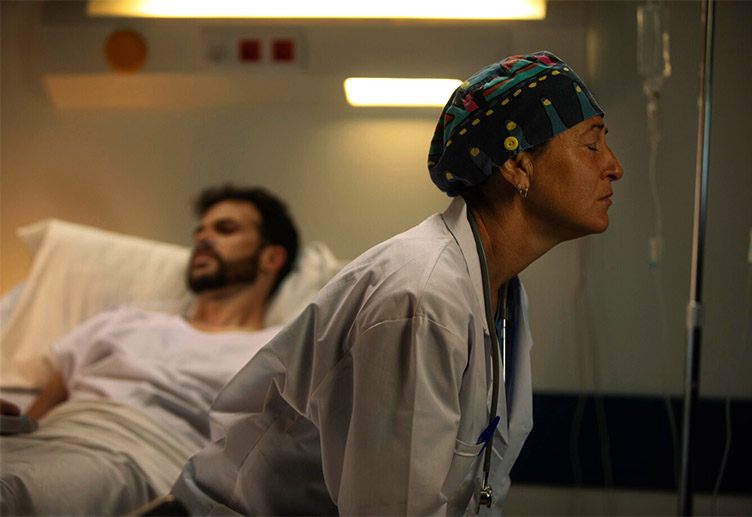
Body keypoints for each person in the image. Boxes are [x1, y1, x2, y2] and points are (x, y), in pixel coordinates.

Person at [171, 51, 623, 515]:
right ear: (517, 166)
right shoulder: (423, 298)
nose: (613, 166)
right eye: (592, 144)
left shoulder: (497, 293)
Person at [0, 184, 299, 516]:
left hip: (142, 459)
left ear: (271, 257)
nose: (203, 238)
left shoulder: (273, 352)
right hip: (50, 440)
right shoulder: (125, 321)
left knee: (12, 491)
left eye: (225, 229)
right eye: (200, 231)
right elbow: (40, 411)